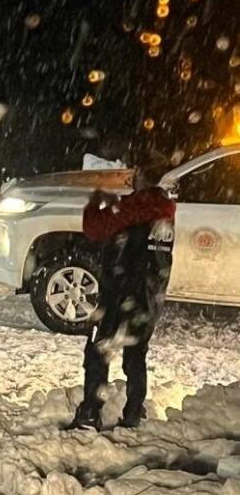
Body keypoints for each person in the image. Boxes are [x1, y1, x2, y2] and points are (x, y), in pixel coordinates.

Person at [66, 166, 175, 431]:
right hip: (148, 295)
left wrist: (96, 203)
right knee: (136, 354)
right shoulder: (166, 210)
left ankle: (90, 412)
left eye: (135, 175)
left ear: (142, 179)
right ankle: (134, 411)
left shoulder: (135, 207)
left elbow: (94, 227)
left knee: (98, 350)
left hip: (119, 290)